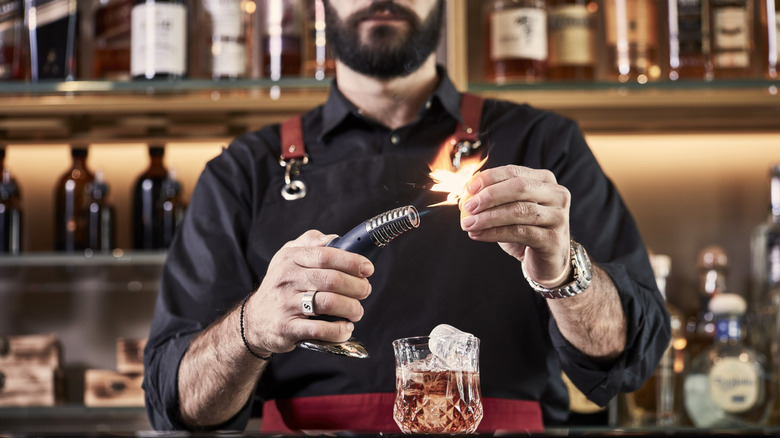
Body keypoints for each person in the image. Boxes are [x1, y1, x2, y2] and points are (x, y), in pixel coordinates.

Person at [142, 0, 670, 433]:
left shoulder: (545, 146)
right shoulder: (244, 172)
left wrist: (563, 272)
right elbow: (175, 404)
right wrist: (252, 326)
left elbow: (630, 356)